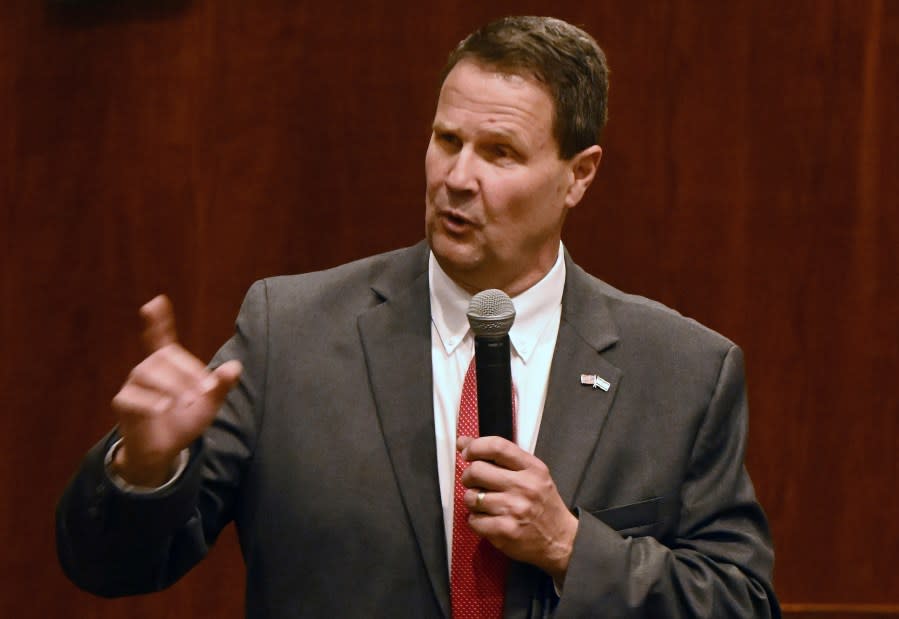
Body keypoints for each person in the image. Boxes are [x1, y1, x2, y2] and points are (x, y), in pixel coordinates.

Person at [57, 15, 780, 618]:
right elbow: (109, 565)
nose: (457, 178)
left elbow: (739, 599)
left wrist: (568, 544)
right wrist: (146, 466)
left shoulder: (681, 370)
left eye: (498, 152)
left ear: (578, 175)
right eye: (446, 140)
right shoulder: (292, 332)